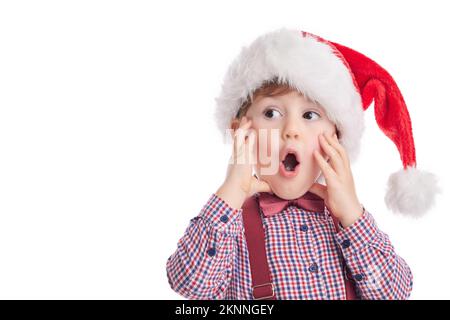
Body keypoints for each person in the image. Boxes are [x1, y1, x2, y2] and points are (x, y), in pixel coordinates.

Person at [166, 28, 439, 299]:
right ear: (241, 132)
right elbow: (189, 282)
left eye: (310, 115)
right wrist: (232, 190)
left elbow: (393, 293)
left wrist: (352, 214)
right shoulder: (229, 226)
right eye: (271, 113)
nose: (291, 130)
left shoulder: (346, 221)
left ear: (336, 138)